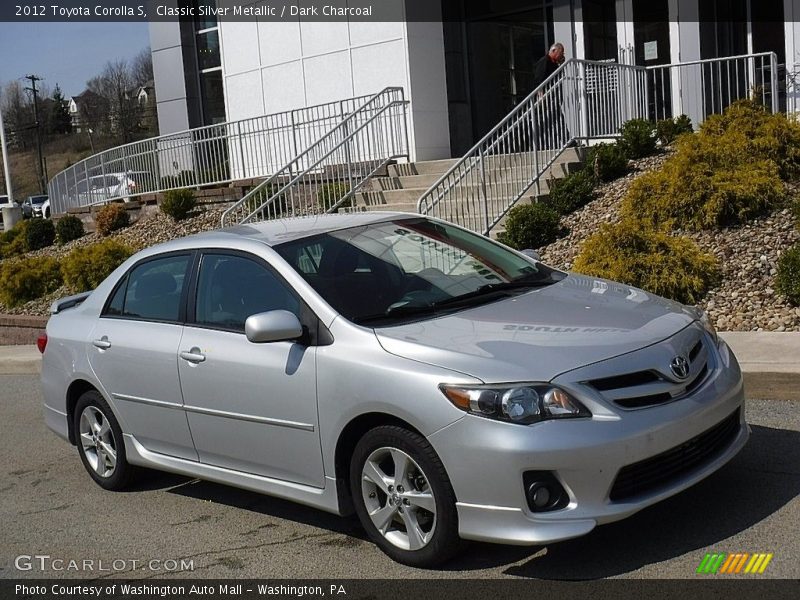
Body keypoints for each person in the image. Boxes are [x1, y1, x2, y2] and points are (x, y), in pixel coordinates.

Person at [531, 42, 573, 149]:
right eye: (561, 53)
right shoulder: (544, 61)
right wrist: (541, 96)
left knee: (556, 120)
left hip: (553, 98)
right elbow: (538, 80)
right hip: (546, 100)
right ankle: (566, 142)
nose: (562, 55)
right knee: (554, 121)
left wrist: (561, 63)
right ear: (553, 51)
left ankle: (566, 142)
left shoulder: (554, 63)